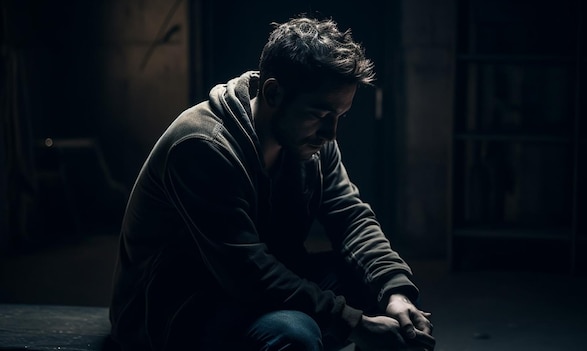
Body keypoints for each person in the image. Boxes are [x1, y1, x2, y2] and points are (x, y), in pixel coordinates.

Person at [109, 16, 435, 351]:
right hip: (175, 308)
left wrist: (395, 291)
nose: (331, 133)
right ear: (274, 93)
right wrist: (354, 323)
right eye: (321, 116)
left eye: (339, 117)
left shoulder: (311, 143)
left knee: (374, 288)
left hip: (252, 283)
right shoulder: (202, 146)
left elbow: (351, 218)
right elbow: (247, 273)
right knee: (294, 333)